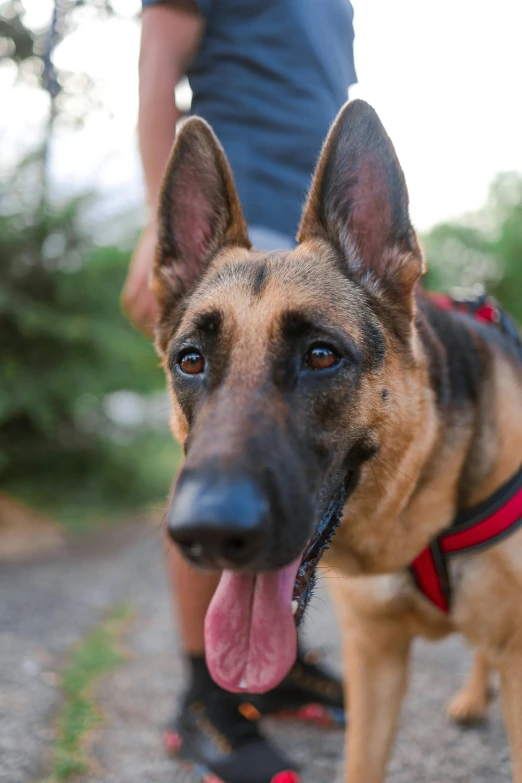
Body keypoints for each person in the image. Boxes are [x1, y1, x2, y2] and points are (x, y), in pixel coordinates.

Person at [123, 2, 357, 781]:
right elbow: (158, 65)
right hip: (234, 219)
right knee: (223, 460)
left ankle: (276, 665)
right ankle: (206, 698)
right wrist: (159, 237)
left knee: (298, 465)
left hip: (322, 228)